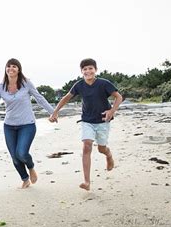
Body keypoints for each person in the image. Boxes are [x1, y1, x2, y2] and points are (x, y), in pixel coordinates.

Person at [0, 58, 55, 189]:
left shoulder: (26, 84)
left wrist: (53, 112)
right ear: (5, 69)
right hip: (9, 126)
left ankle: (31, 167)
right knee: (14, 157)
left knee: (21, 153)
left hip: (27, 124)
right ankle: (25, 179)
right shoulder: (0, 87)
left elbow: (39, 98)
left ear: (19, 70)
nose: (11, 69)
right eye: (8, 66)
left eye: (14, 66)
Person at [49, 58, 123, 191]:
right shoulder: (79, 85)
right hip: (87, 121)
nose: (88, 71)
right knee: (87, 146)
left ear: (95, 70)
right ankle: (87, 182)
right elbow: (66, 98)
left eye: (90, 68)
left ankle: (109, 155)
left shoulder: (104, 83)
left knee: (101, 148)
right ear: (81, 71)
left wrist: (112, 111)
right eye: (85, 69)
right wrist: (55, 112)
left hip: (102, 121)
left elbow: (119, 97)